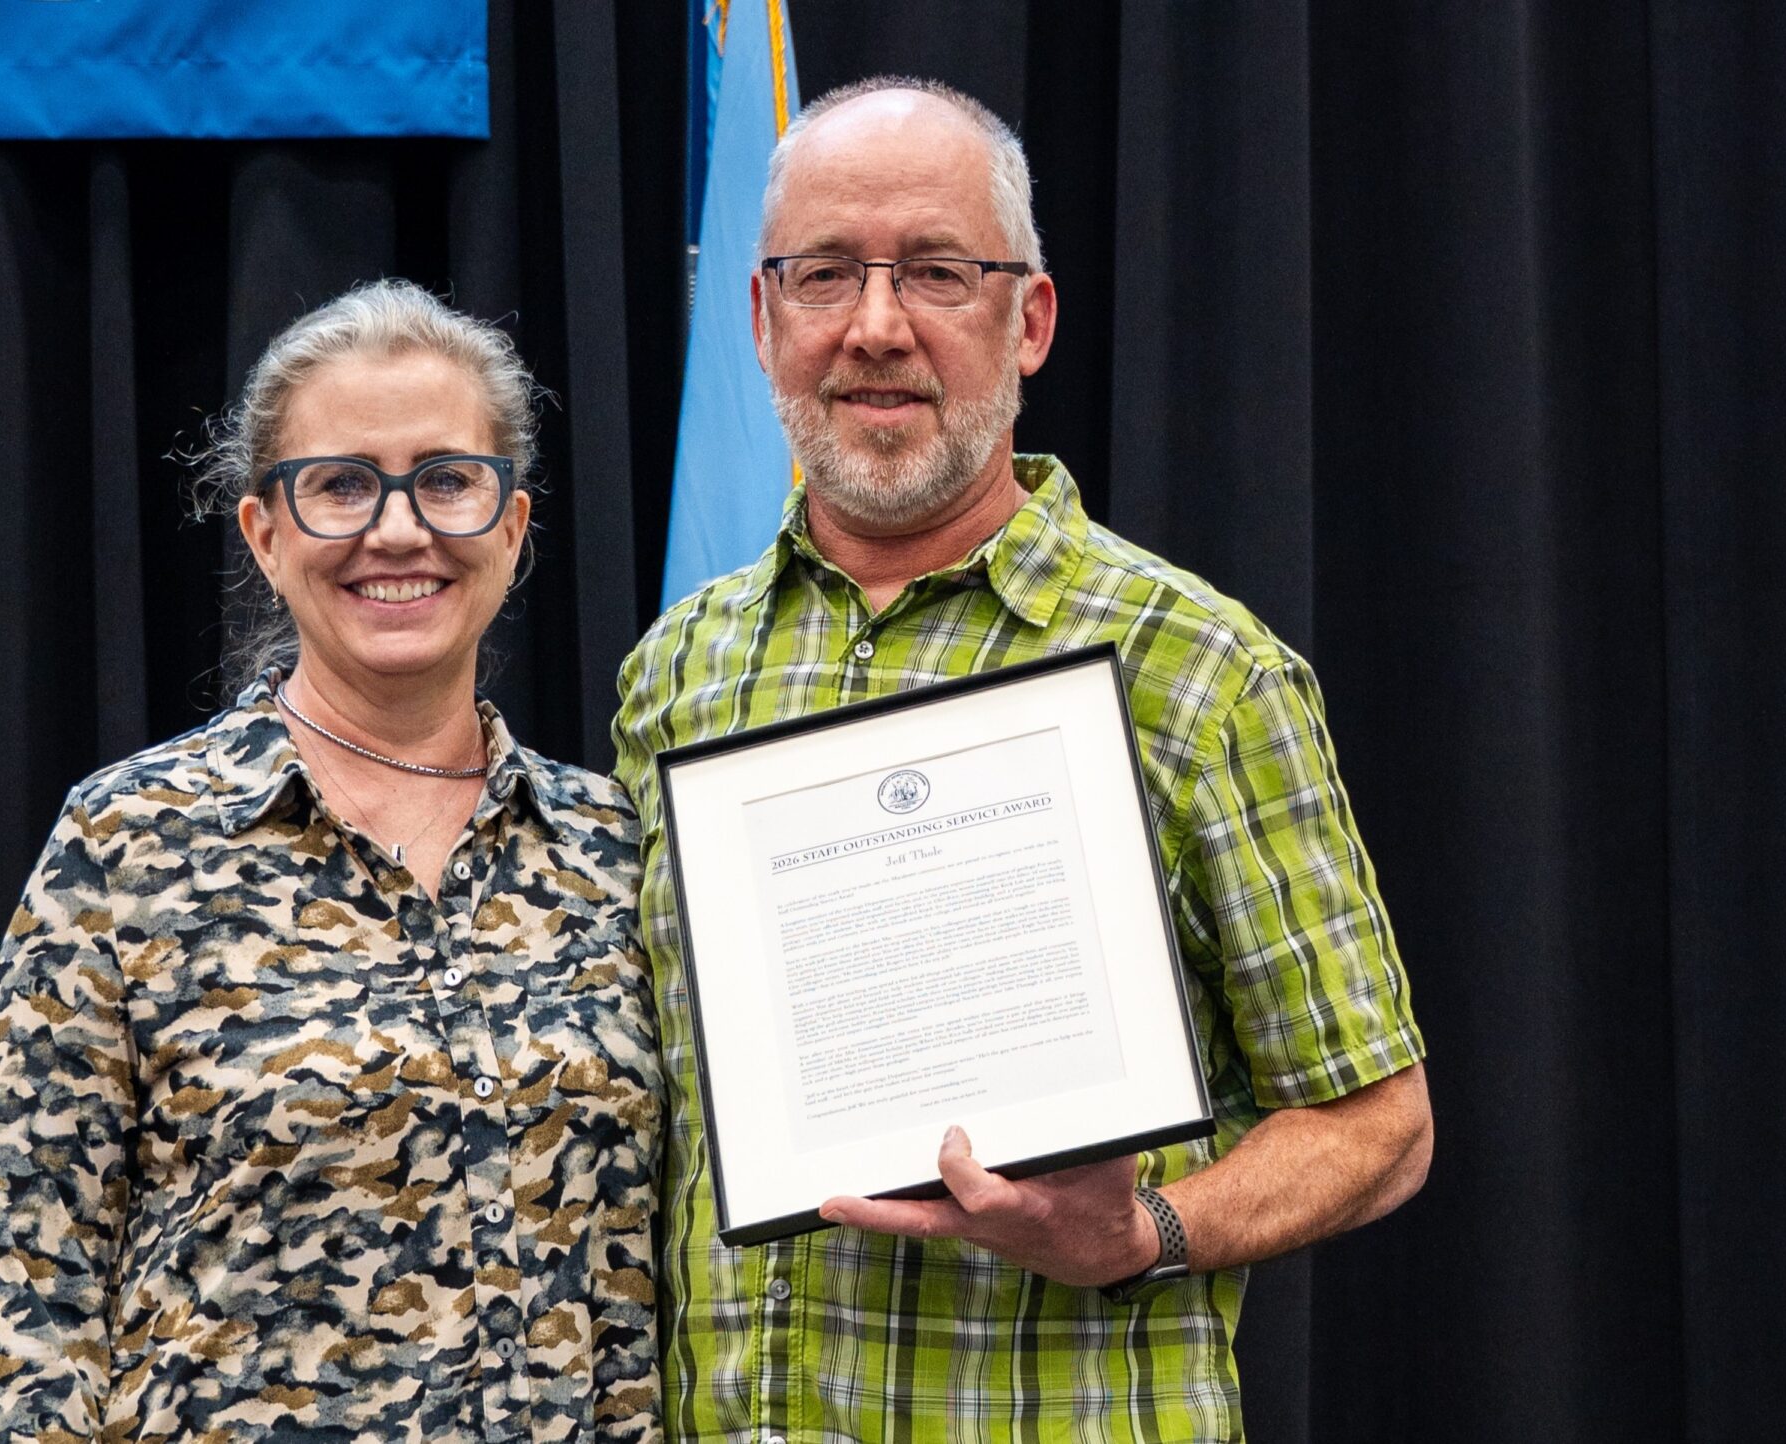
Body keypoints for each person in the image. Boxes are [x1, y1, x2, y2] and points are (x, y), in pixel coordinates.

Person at [613, 78, 1432, 1441]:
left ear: (1030, 319)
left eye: (936, 271)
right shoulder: (676, 675)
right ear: (762, 321)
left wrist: (1146, 1230)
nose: (877, 328)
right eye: (825, 276)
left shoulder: (1200, 670)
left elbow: (1380, 1128)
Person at [0, 280, 661, 1443]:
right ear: (265, 533)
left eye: (446, 479)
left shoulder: (610, 852)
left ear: (514, 527)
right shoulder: (128, 845)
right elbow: (26, 1300)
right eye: (339, 484)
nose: (397, 529)